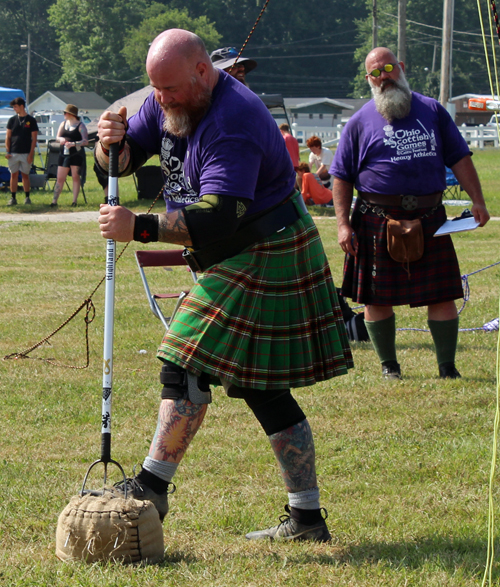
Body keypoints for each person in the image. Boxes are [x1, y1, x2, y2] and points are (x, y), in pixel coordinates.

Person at [95, 28, 353, 542]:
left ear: (202, 72)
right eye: (155, 90)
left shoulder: (233, 119)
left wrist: (139, 228)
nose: (161, 100)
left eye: (170, 89)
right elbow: (126, 159)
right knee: (262, 388)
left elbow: (217, 218)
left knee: (183, 360)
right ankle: (307, 519)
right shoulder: (166, 96)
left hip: (265, 247)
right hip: (233, 253)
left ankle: (151, 488)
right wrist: (109, 147)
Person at [330, 46, 490, 380]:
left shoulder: (432, 110)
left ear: (401, 67)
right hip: (375, 217)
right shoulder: (359, 122)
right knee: (375, 297)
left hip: (430, 216)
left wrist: (478, 200)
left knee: (442, 292)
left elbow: (460, 157)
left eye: (388, 68)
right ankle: (390, 366)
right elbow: (341, 176)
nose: (383, 76)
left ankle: (447, 367)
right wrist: (343, 225)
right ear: (368, 79)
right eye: (375, 72)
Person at [50, 104, 88, 207]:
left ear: (71, 114)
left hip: (75, 154)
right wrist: (61, 139)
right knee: (60, 178)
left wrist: (74, 144)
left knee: (75, 177)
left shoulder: (80, 125)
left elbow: (85, 141)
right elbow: (57, 137)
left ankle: (74, 201)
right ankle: (54, 201)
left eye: (65, 113)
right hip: (63, 154)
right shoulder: (63, 124)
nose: (64, 115)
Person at [5, 97, 39, 206]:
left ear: (22, 106)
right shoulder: (12, 120)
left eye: (15, 106)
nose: (14, 108)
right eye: (13, 107)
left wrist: (31, 154)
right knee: (13, 175)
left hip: (26, 152)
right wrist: (8, 151)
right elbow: (8, 136)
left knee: (25, 175)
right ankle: (13, 198)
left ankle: (27, 197)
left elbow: (34, 139)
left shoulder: (31, 120)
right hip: (13, 152)